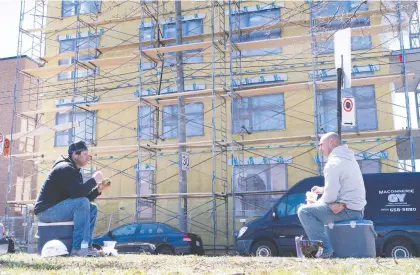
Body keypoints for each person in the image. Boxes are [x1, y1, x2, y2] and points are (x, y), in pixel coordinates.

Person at [34, 141, 111, 256]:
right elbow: (78, 195)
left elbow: (82, 198)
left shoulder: (74, 171)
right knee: (82, 203)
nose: (88, 158)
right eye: (85, 154)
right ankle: (79, 248)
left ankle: (87, 246)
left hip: (57, 209)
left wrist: (98, 190)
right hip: (46, 211)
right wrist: (94, 180)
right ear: (75, 154)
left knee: (92, 208)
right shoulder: (65, 168)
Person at [297, 132, 366, 258]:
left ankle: (324, 250)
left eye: (321, 144)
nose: (320, 148)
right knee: (313, 210)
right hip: (357, 209)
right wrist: (323, 189)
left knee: (305, 211)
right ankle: (323, 248)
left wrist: (314, 203)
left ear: (331, 142)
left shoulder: (333, 162)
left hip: (347, 209)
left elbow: (330, 197)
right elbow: (345, 186)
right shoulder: (349, 158)